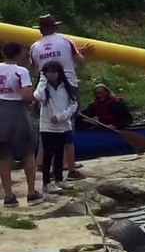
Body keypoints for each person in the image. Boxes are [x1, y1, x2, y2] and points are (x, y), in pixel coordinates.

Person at [29, 14, 94, 178]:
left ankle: (42, 162)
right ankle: (68, 164)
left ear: (41, 30)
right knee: (67, 123)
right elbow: (80, 61)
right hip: (67, 83)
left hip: (45, 86)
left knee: (46, 124)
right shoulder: (66, 41)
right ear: (55, 27)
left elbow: (34, 68)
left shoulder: (34, 47)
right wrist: (80, 57)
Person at [0, 42, 41, 208]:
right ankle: (31, 192)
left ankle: (8, 195)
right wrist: (32, 99)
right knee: (27, 151)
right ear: (18, 54)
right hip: (16, 111)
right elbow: (26, 95)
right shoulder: (21, 71)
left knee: (4, 154)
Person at [34, 62, 78, 196]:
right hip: (47, 127)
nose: (51, 75)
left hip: (63, 125)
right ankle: (46, 183)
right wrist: (42, 80)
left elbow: (73, 104)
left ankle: (59, 179)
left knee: (60, 153)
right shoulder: (44, 87)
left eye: (54, 72)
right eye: (48, 72)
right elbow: (38, 96)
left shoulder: (66, 87)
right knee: (48, 155)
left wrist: (62, 116)